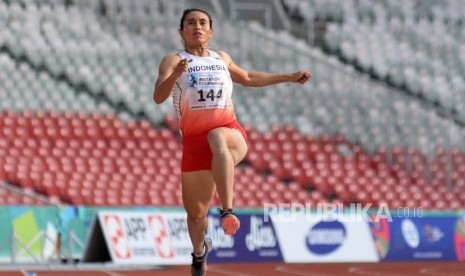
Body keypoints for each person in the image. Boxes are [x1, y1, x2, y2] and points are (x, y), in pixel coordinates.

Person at [153, 8, 312, 276]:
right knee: (195, 216)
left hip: (229, 133)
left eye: (203, 23)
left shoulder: (221, 58)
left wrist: (288, 76)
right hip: (194, 144)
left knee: (217, 136)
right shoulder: (173, 60)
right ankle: (199, 254)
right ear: (182, 32)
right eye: (190, 23)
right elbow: (158, 97)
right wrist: (174, 74)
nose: (197, 27)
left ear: (211, 31)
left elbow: (248, 77)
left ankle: (227, 211)